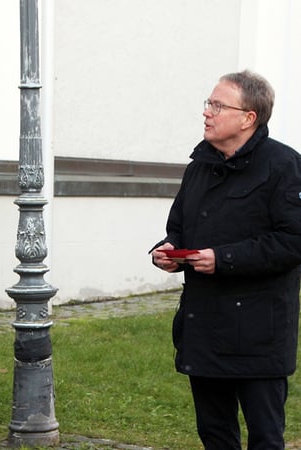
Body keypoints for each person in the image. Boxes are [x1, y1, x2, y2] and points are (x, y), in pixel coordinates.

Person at [150, 70, 301, 450]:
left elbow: (293, 240)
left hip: (258, 335)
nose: (207, 112)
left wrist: (224, 258)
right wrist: (168, 250)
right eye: (209, 103)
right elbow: (179, 227)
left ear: (249, 117)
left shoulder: (284, 166)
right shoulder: (199, 166)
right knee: (215, 435)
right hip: (205, 329)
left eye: (218, 105)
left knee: (265, 438)